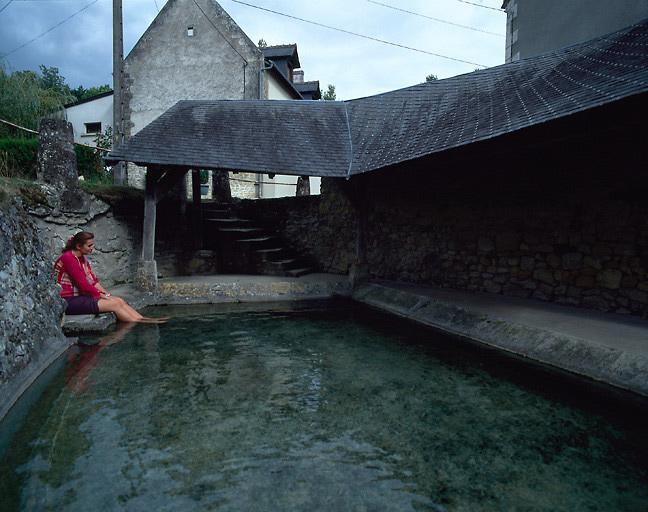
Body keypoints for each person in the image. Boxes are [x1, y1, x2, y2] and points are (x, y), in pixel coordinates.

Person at [55, 231, 167, 323]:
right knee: (114, 304)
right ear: (79, 246)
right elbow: (83, 285)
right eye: (89, 245)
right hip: (67, 301)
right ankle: (141, 323)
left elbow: (93, 281)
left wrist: (107, 294)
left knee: (118, 300)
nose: (92, 248)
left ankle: (143, 319)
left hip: (80, 297)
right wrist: (102, 296)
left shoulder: (82, 258)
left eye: (92, 245)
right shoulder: (69, 258)